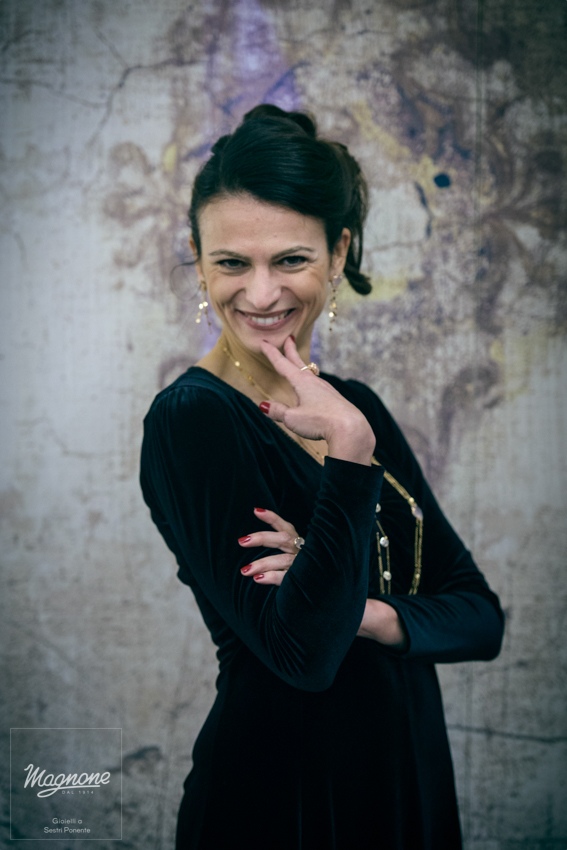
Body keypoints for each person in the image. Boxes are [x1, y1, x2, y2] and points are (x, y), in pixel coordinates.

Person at [140, 104, 504, 850]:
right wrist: (349, 457)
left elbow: (478, 617)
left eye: (290, 260)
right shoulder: (193, 418)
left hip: (406, 783)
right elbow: (303, 654)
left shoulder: (354, 407)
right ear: (198, 258)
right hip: (283, 801)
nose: (261, 294)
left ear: (338, 252)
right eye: (231, 262)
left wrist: (358, 611)